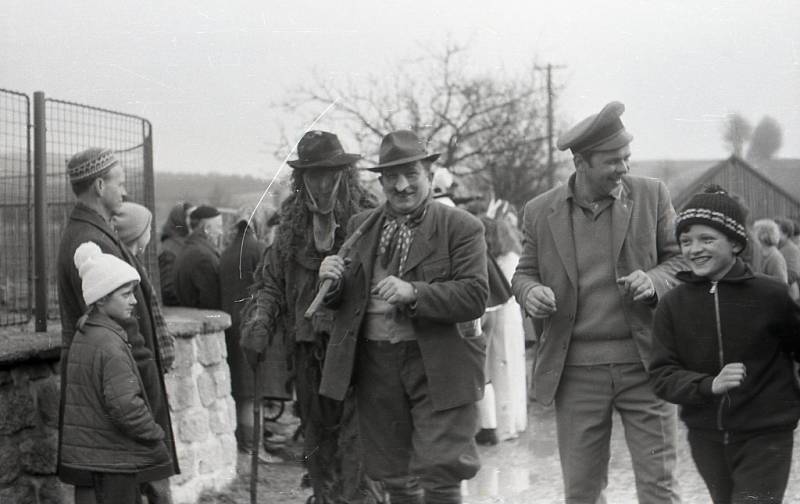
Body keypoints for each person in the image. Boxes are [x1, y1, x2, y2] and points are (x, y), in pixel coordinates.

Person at [511, 102, 684, 503]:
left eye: (627, 158)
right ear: (580, 162)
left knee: (659, 487)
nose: (623, 168)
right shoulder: (540, 211)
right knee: (582, 491)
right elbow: (523, 273)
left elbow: (681, 262)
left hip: (647, 364)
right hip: (575, 371)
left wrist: (654, 280)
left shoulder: (652, 195)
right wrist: (530, 292)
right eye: (612, 161)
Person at [318, 130, 489, 504]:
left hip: (440, 363)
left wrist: (416, 293)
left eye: (411, 173)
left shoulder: (461, 227)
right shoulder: (361, 227)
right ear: (380, 182)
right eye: (391, 177)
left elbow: (475, 296)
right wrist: (332, 284)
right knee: (394, 473)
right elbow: (351, 300)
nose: (401, 185)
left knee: (442, 470)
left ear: (430, 172)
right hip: (376, 363)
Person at [240, 130, 381, 504]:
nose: (322, 184)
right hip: (307, 359)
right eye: (312, 175)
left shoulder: (368, 219)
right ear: (300, 179)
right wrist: (259, 323)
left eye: (329, 173)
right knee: (319, 452)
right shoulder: (290, 228)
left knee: (359, 455)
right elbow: (269, 284)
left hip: (358, 358)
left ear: (344, 174)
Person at [650, 186, 800, 504]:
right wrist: (708, 385)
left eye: (707, 239)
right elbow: (662, 375)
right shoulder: (672, 304)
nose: (694, 249)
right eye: (686, 241)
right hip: (706, 437)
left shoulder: (771, 295)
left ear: (734, 242)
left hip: (766, 434)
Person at [56, 147, 177, 503]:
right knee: (130, 486)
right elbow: (116, 322)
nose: (124, 193)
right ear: (98, 185)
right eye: (120, 184)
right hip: (123, 385)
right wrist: (146, 393)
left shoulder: (92, 233)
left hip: (119, 381)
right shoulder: (89, 240)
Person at [61, 242, 171, 504]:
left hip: (95, 457)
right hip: (114, 461)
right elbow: (126, 407)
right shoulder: (109, 344)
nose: (134, 301)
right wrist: (156, 433)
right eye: (125, 295)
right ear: (101, 298)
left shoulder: (86, 332)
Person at [219, 207, 268, 459]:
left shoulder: (227, 252)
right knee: (252, 391)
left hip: (231, 325)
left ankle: (245, 444)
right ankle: (253, 448)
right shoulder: (257, 249)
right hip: (252, 324)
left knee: (241, 389)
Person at [481, 213, 527, 442]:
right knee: (505, 367)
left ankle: (507, 424)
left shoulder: (508, 259)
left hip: (504, 314)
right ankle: (508, 422)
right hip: (505, 314)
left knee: (504, 366)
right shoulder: (506, 256)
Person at [113, 201, 176, 371]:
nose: (151, 233)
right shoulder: (133, 271)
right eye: (148, 228)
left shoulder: (130, 266)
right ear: (137, 233)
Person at [175, 204, 223, 309]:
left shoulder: (188, 249)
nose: (221, 232)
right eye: (219, 227)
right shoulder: (203, 257)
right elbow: (211, 302)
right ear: (206, 229)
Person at [159, 202, 192, 306]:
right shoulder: (169, 249)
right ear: (179, 219)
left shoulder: (185, 243)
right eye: (189, 217)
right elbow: (168, 290)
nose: (193, 221)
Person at [751, 219, 788, 284]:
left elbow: (782, 282)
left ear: (762, 236)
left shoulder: (775, 257)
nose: (752, 235)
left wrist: (758, 276)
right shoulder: (761, 253)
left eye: (755, 232)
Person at [775, 217, 800, 300]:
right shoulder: (775, 246)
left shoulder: (792, 249)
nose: (774, 233)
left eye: (777, 230)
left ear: (785, 233)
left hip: (789, 295)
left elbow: (793, 274)